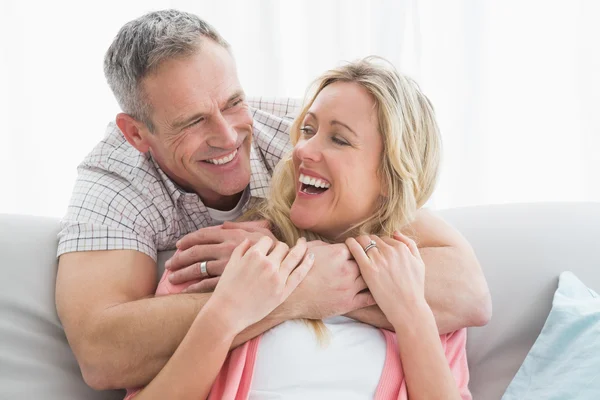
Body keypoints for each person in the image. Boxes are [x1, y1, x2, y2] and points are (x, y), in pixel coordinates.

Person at [55, 9, 490, 391]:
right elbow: (101, 354)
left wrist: (300, 264)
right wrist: (290, 293)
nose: (228, 136)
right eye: (193, 121)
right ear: (136, 134)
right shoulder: (115, 184)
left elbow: (469, 292)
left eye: (233, 102)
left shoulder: (299, 128)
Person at [126, 57, 471, 399]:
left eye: (339, 139)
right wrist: (225, 315)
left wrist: (412, 317)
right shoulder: (229, 255)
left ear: (390, 173)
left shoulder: (416, 286)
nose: (303, 149)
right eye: (307, 130)